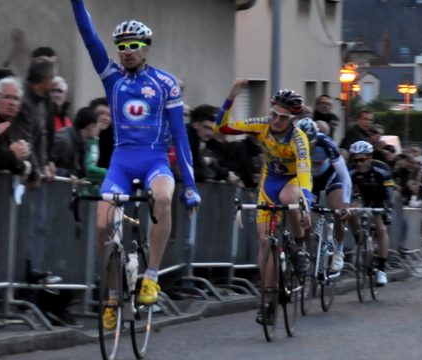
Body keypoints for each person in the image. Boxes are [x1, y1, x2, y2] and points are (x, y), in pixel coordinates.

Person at [71, 0, 201, 329]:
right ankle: (113, 294)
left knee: (161, 198)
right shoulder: (112, 78)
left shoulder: (165, 83)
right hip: (122, 161)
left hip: (155, 159)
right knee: (102, 225)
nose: (127, 51)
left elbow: (181, 138)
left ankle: (151, 276)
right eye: (122, 46)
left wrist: (191, 187)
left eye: (134, 46)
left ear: (146, 48)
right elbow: (89, 38)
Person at [213, 80, 312, 325]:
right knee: (265, 241)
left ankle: (299, 246)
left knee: (290, 199)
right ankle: (267, 300)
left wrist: (305, 205)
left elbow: (304, 173)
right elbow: (221, 128)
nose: (276, 120)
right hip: (270, 182)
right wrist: (231, 97)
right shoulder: (262, 125)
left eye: (283, 117)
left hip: (291, 182)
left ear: (292, 119)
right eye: (274, 114)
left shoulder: (299, 139)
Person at [295, 118, 351, 272]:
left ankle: (339, 250)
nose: (308, 147)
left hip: (329, 177)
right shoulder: (292, 143)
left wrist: (346, 204)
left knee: (340, 211)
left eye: (311, 143)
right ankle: (306, 252)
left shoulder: (326, 143)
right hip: (309, 181)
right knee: (306, 220)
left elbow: (345, 176)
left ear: (316, 137)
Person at [347, 140, 394, 286]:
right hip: (363, 197)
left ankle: (381, 269)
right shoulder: (352, 170)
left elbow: (389, 193)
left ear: (370, 157)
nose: (359, 164)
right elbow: (347, 193)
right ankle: (359, 241)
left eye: (362, 159)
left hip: (380, 198)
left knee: (380, 227)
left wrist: (388, 208)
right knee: (351, 212)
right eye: (355, 160)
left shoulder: (382, 169)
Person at [52, 106, 98, 179]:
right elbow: (46, 165)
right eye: (96, 126)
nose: (97, 129)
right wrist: (69, 175)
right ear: (90, 126)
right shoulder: (63, 140)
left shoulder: (81, 142)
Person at [90, 97, 113, 169]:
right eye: (101, 113)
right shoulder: (83, 132)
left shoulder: (114, 138)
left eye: (109, 115)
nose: (105, 118)